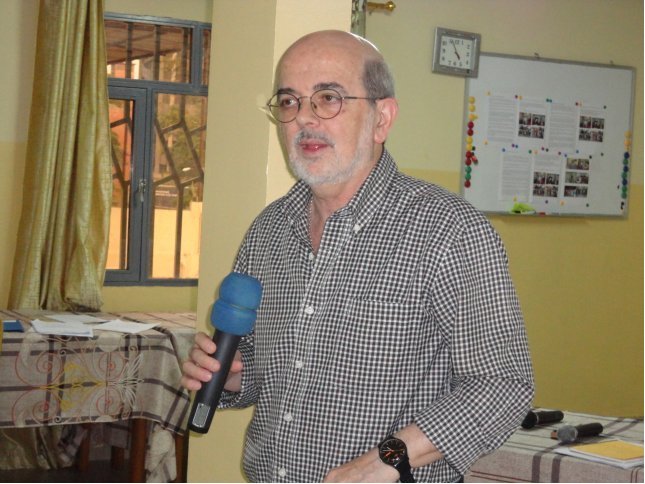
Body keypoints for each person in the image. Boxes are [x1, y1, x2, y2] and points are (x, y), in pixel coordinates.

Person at [181, 30, 534, 483]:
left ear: (381, 119)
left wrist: (390, 458)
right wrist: (234, 375)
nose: (303, 118)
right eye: (289, 101)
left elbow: (503, 385)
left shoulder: (450, 231)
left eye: (328, 98)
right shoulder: (268, 231)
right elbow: (269, 366)